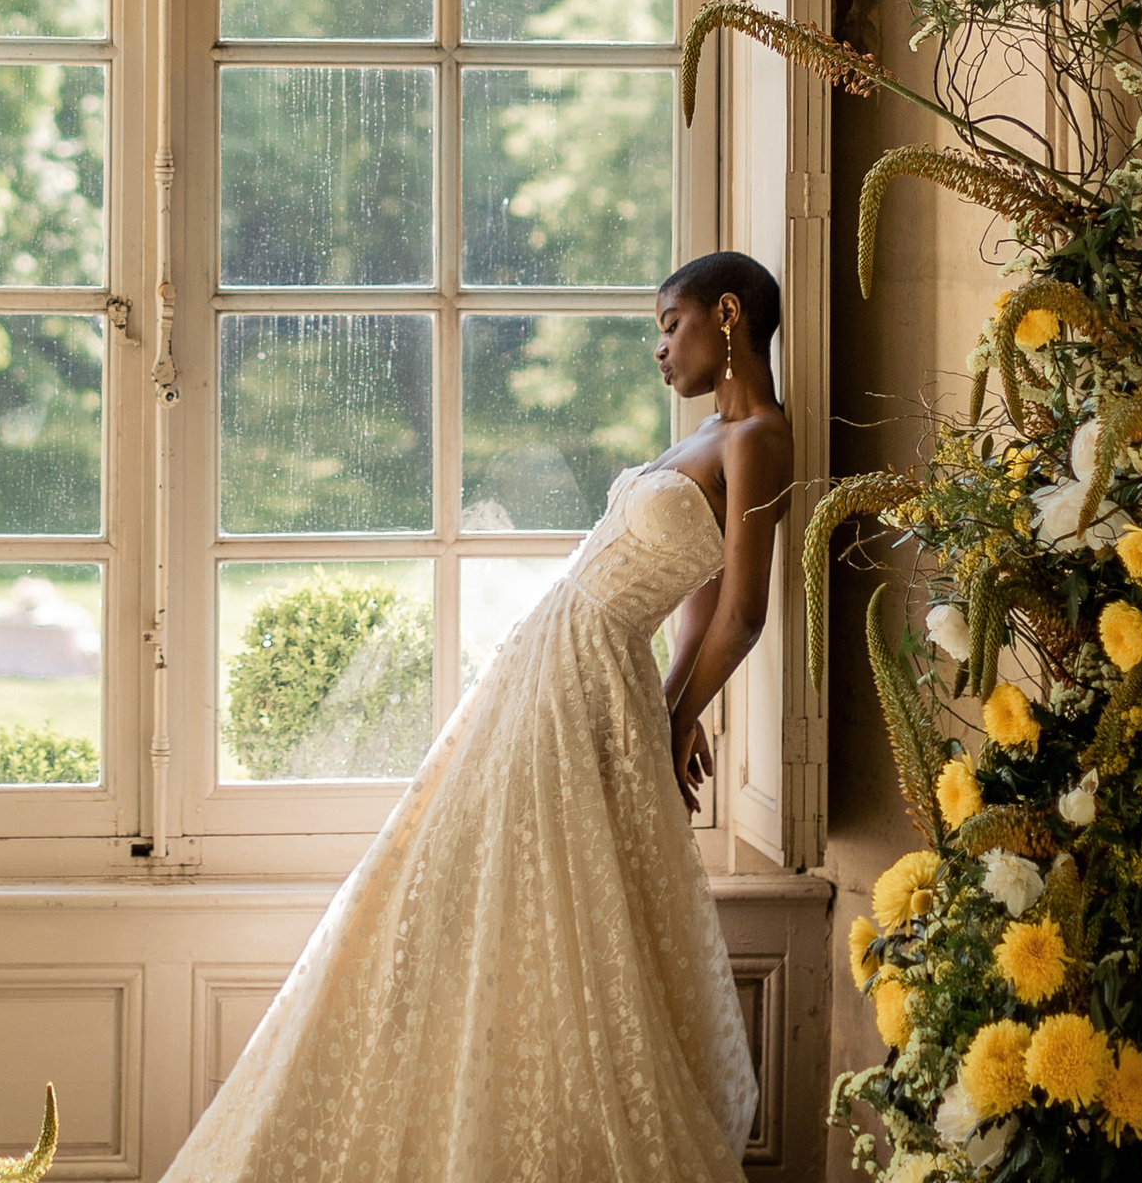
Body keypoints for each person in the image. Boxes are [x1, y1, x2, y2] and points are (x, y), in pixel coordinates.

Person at [163, 252, 795, 1183]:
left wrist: (676, 712)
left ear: (728, 313)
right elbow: (697, 596)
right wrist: (669, 703)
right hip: (548, 677)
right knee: (453, 891)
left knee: (565, 919)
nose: (660, 349)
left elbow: (740, 611)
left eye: (670, 324)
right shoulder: (707, 433)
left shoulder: (759, 440)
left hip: (589, 676)